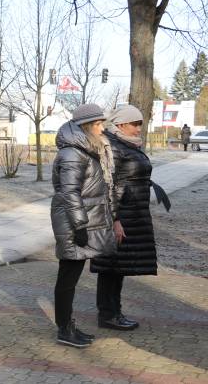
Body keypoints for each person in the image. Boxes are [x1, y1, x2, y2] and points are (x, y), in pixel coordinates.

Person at [91, 105, 162, 331]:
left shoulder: (126, 144)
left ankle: (115, 312)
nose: (139, 128)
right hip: (120, 215)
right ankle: (108, 315)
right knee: (110, 267)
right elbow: (107, 185)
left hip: (133, 213)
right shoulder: (111, 146)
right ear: (121, 124)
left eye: (141, 123)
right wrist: (114, 219)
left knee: (118, 267)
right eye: (135, 124)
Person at [51, 104, 116, 348]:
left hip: (80, 221)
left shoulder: (83, 150)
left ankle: (67, 326)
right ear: (87, 126)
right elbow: (70, 192)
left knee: (70, 278)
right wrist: (79, 226)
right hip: (73, 224)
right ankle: (64, 330)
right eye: (99, 124)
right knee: (67, 278)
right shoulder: (72, 153)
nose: (103, 128)